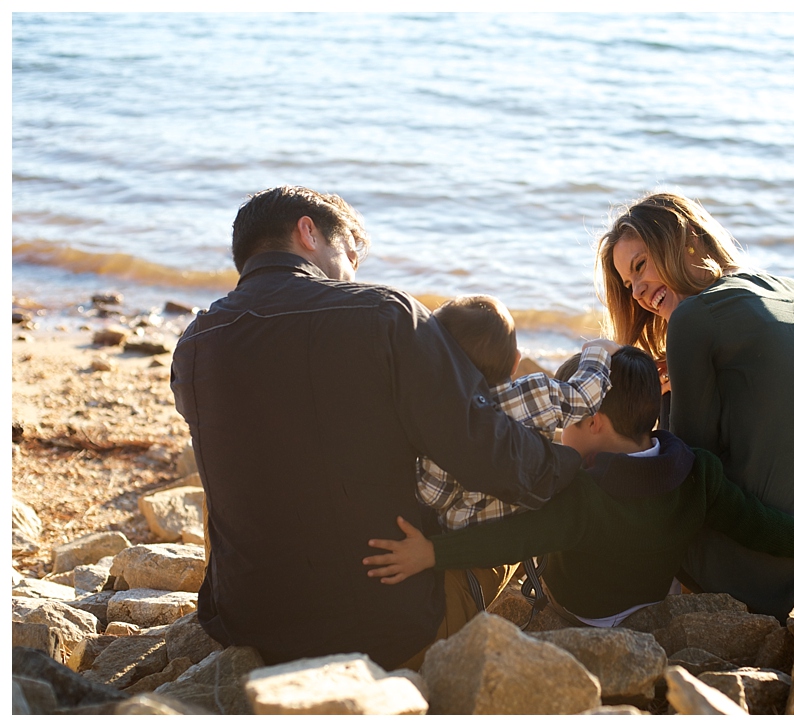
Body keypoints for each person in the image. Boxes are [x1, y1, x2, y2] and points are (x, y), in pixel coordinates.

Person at [170, 186, 582, 669]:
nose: (351, 274)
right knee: (520, 491)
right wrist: (572, 461)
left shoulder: (195, 343)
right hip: (389, 633)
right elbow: (487, 453)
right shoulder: (386, 313)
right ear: (309, 231)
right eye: (349, 255)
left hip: (247, 625)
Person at [363, 347, 794, 628]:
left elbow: (514, 540)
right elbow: (759, 524)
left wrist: (431, 553)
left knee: (526, 520)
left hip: (582, 609)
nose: (562, 430)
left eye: (568, 418)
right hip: (648, 600)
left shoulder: (581, 493)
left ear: (595, 421)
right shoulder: (699, 472)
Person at [595, 191, 794, 620]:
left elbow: (687, 480)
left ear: (685, 239)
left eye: (640, 266)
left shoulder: (691, 321)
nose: (638, 292)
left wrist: (663, 399)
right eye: (629, 285)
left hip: (774, 579)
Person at [418, 295, 617, 532]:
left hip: (467, 537)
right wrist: (597, 352)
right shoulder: (534, 394)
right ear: (516, 362)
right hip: (525, 521)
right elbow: (585, 397)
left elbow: (434, 496)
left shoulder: (445, 421)